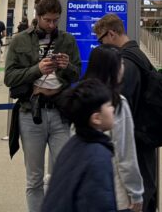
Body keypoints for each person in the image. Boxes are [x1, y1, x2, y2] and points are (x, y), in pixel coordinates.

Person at [5, 0, 81, 212]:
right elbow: (9, 77)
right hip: (31, 113)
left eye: (56, 20)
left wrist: (66, 67)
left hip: (60, 113)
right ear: (37, 17)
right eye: (48, 20)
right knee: (34, 177)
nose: (52, 25)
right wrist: (37, 70)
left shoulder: (67, 40)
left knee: (63, 173)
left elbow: (76, 75)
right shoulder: (20, 40)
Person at [93, 13, 159, 212]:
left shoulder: (127, 63)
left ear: (111, 34)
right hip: (144, 133)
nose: (100, 44)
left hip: (137, 138)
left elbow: (121, 110)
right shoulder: (137, 54)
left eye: (101, 39)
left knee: (143, 192)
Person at [40, 79, 117, 212]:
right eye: (109, 106)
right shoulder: (98, 156)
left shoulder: (73, 144)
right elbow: (99, 204)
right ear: (96, 118)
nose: (113, 109)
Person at [83, 45, 144, 212]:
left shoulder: (80, 97)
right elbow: (124, 153)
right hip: (112, 188)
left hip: (85, 185)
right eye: (121, 63)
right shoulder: (117, 103)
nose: (123, 67)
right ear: (113, 69)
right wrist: (136, 191)